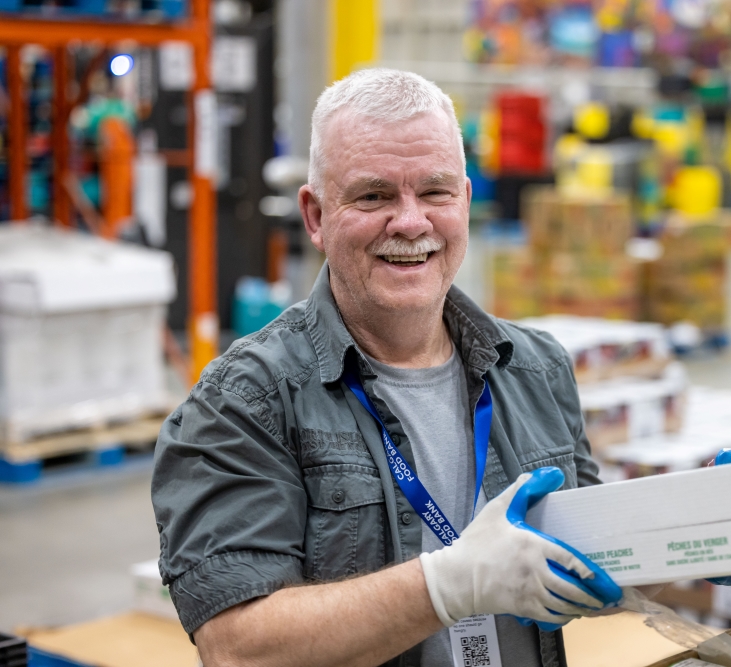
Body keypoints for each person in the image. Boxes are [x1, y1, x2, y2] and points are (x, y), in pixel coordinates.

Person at [152, 68, 623, 667]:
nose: (410, 222)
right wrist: (450, 586)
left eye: (435, 192)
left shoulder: (533, 367)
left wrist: (705, 537)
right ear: (316, 216)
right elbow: (240, 648)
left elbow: (591, 557)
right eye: (374, 196)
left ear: (466, 202)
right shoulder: (244, 401)